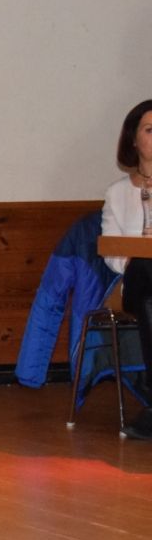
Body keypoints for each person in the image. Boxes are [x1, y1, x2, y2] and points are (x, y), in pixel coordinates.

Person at [102, 99, 152, 441]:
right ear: (134, 140)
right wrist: (131, 260)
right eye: (150, 130)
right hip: (132, 283)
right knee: (145, 266)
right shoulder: (117, 193)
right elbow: (110, 249)